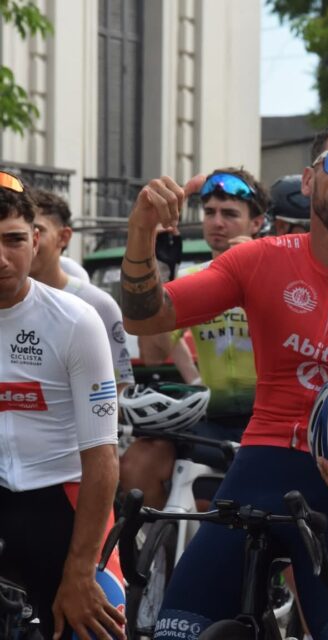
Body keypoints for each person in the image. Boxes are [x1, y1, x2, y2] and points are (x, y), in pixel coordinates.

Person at [119, 117, 328, 639]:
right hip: (255, 475)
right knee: (176, 633)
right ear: (310, 179)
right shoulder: (258, 260)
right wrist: (140, 231)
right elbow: (145, 317)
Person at [0, 171, 126, 640]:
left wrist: (80, 572)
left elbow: (102, 456)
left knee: (98, 626)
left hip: (64, 501)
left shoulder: (76, 320)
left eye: (13, 240)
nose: (1, 258)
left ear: (36, 241)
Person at [124, 167, 267, 507]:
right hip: (212, 419)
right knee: (136, 465)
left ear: (257, 223)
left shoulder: (278, 271)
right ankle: (156, 539)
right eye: (209, 212)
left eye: (230, 214)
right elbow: (154, 353)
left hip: (266, 419)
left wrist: (259, 270)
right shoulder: (193, 277)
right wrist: (159, 266)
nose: (217, 222)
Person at [28, 188, 134, 393]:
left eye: (38, 231)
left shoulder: (98, 304)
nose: (30, 241)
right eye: (18, 235)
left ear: (64, 237)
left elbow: (121, 387)